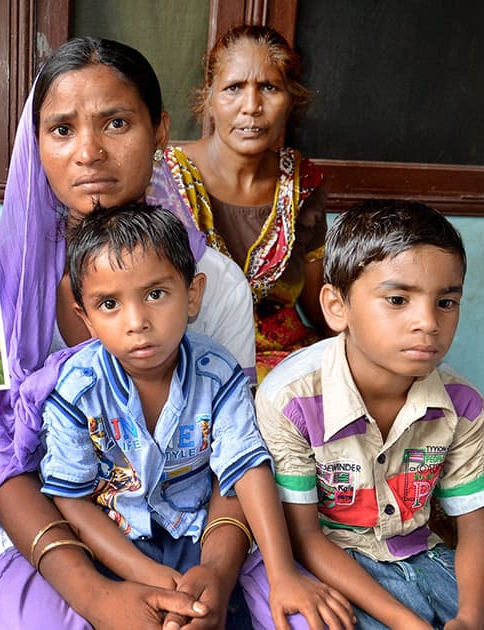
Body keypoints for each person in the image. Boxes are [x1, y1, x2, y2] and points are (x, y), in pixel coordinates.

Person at [0, 36, 282, 630]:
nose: (88, 152)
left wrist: (213, 573)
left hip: (196, 528)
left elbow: (234, 457)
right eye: (61, 130)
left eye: (116, 122)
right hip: (54, 537)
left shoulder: (215, 282)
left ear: (161, 131)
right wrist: (96, 596)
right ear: (37, 145)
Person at [39, 202, 354, 630]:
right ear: (86, 319)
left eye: (155, 294)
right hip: (113, 544)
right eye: (109, 303)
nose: (137, 322)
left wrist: (282, 574)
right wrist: (146, 575)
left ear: (192, 295)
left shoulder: (217, 374)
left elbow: (247, 468)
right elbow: (72, 501)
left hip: (203, 536)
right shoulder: (76, 390)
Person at [254, 200, 484, 629]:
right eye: (397, 299)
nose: (427, 322)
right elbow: (305, 537)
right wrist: (408, 623)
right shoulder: (292, 401)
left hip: (421, 553)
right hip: (333, 560)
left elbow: (477, 528)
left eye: (446, 302)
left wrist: (470, 618)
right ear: (337, 307)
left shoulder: (461, 404)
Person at [163, 25, 329, 383]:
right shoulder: (163, 180)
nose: (251, 107)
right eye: (234, 88)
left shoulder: (302, 185)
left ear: (291, 98)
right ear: (208, 96)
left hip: (286, 365)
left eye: (269, 88)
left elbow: (319, 304)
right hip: (189, 359)